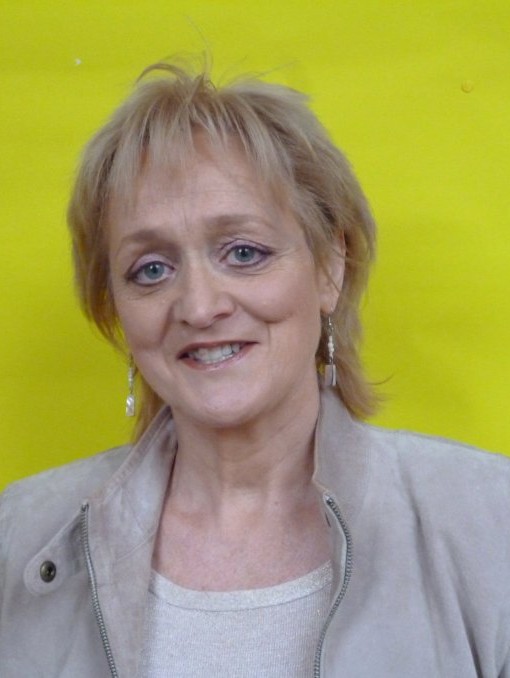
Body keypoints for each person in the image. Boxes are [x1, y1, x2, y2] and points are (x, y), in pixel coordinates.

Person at [0, 61, 509, 678]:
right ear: (115, 309)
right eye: (152, 269)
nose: (199, 307)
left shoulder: (490, 521)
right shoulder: (17, 536)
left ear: (330, 267)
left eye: (244, 252)